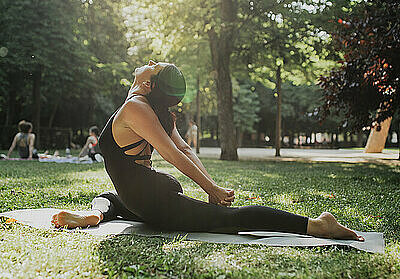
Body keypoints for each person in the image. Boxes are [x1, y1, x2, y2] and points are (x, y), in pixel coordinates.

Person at [51, 60, 364, 242]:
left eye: (153, 66)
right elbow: (185, 149)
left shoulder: (136, 106)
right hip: (140, 195)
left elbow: (176, 154)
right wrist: (209, 186)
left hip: (150, 199)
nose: (149, 62)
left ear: (148, 84)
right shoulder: (151, 108)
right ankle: (95, 214)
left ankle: (316, 225)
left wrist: (211, 187)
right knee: (109, 197)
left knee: (230, 220)